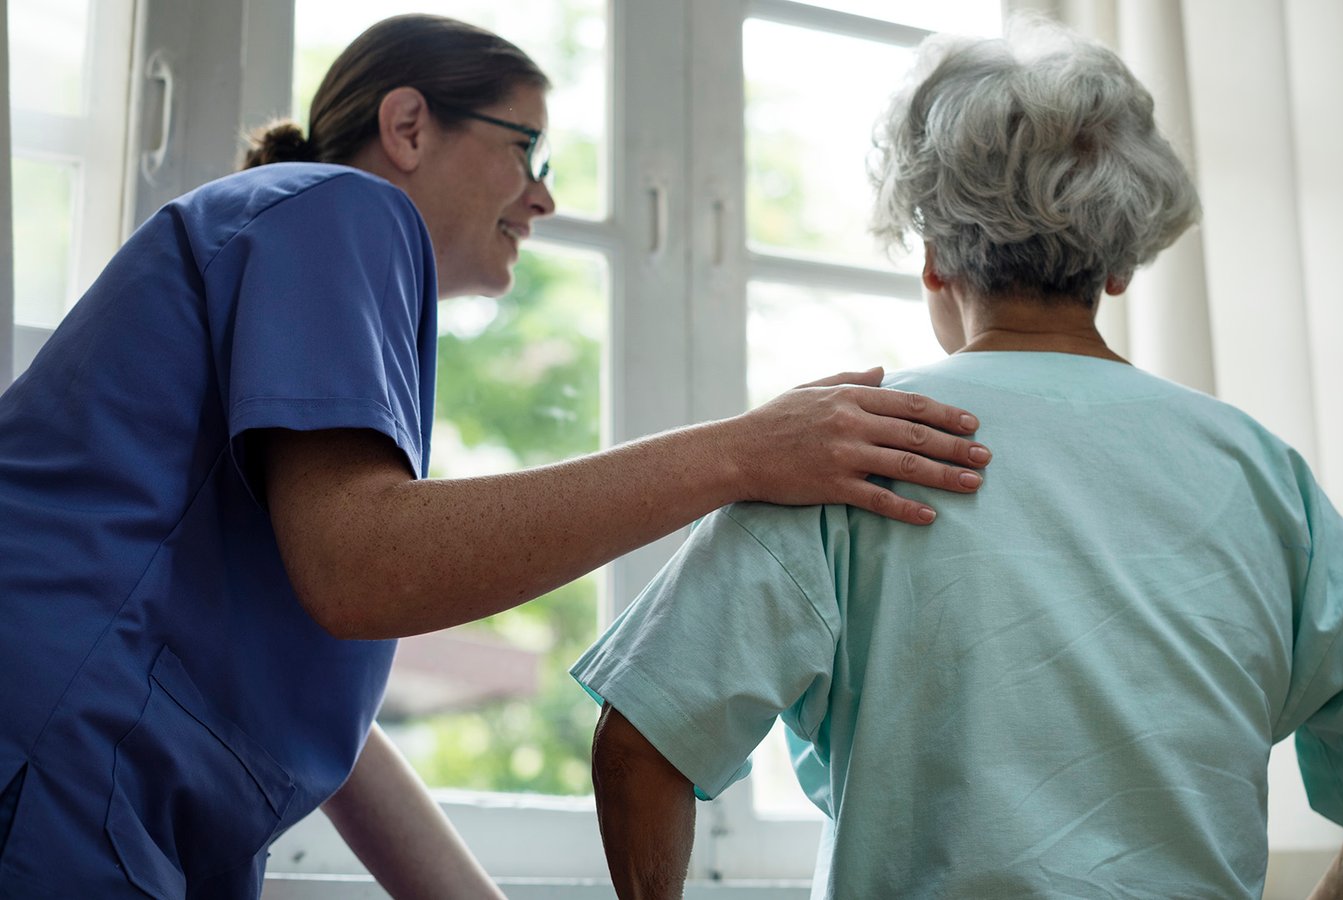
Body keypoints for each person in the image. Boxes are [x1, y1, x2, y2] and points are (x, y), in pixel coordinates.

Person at [0, 14, 995, 899]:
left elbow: (330, 724)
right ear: (407, 126)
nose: (544, 198)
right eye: (528, 150)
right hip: (58, 753)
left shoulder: (310, 277)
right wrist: (742, 452)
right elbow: (365, 565)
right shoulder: (338, 209)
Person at [574, 20, 1343, 900]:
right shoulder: (1259, 471)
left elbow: (637, 746)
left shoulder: (847, 448)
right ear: (1120, 264)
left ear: (934, 256)